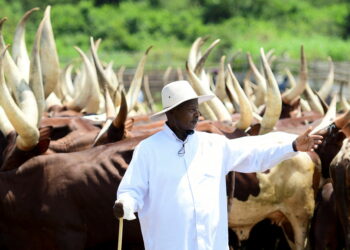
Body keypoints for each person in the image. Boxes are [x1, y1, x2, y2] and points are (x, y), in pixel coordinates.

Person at [113, 80, 323, 250]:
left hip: (211, 244)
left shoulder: (212, 144)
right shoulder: (149, 149)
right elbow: (132, 189)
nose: (197, 114)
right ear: (172, 112)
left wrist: (292, 145)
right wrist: (125, 204)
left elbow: (254, 152)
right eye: (190, 109)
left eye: (197, 109)